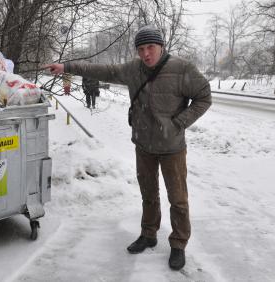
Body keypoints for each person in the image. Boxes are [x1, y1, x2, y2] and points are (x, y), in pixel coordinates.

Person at [43, 25, 211, 270]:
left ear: (161, 47)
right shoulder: (133, 69)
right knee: (148, 194)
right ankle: (149, 233)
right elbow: (101, 69)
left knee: (178, 199)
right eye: (141, 49)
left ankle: (178, 244)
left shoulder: (181, 68)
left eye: (150, 47)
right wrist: (67, 67)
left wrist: (178, 123)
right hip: (143, 144)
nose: (146, 54)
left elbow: (204, 96)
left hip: (172, 147)